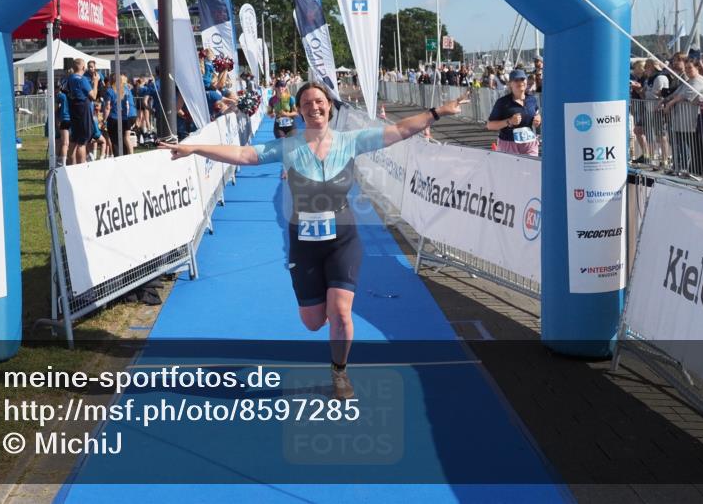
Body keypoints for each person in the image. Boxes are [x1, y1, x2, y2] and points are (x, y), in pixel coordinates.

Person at [159, 83, 470, 399]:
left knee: (341, 313)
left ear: (329, 106)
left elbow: (401, 129)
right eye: (307, 103)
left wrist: (437, 113)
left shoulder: (351, 142)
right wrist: (195, 148)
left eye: (319, 101)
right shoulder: (288, 147)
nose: (314, 107)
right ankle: (323, 317)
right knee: (312, 322)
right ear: (299, 110)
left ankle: (340, 372)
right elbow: (242, 154)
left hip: (343, 239)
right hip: (304, 243)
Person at [662, 58, 703, 176]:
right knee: (688, 147)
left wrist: (670, 104)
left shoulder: (698, 81)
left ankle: (699, 172)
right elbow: (677, 93)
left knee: (697, 149)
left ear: (697, 68)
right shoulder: (689, 81)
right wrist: (665, 100)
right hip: (683, 121)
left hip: (693, 121)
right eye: (687, 68)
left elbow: (684, 96)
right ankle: (688, 169)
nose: (688, 70)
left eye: (690, 68)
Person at [486, 69, 541, 156]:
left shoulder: (532, 99)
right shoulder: (502, 102)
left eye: (522, 79)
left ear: (526, 81)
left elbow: (536, 113)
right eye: (516, 80)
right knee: (510, 170)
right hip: (509, 144)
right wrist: (509, 121)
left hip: (530, 144)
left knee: (532, 169)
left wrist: (538, 118)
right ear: (510, 84)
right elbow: (490, 125)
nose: (520, 82)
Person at [66, 58, 100, 164]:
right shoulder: (82, 79)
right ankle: (81, 167)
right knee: (82, 142)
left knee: (74, 139)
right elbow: (93, 96)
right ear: (83, 67)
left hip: (73, 109)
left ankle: (71, 166)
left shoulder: (70, 78)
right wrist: (96, 82)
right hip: (82, 110)